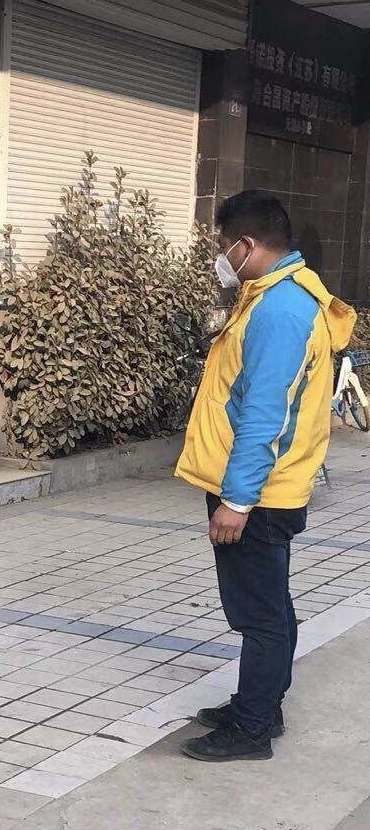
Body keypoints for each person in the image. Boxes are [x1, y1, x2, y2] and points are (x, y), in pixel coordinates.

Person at [176, 191, 354, 762]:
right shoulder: (275, 295)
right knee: (269, 606)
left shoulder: (280, 310)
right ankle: (260, 706)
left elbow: (264, 414)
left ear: (246, 245)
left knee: (260, 616)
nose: (220, 256)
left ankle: (252, 729)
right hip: (264, 488)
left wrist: (236, 500)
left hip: (258, 495)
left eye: (223, 244)